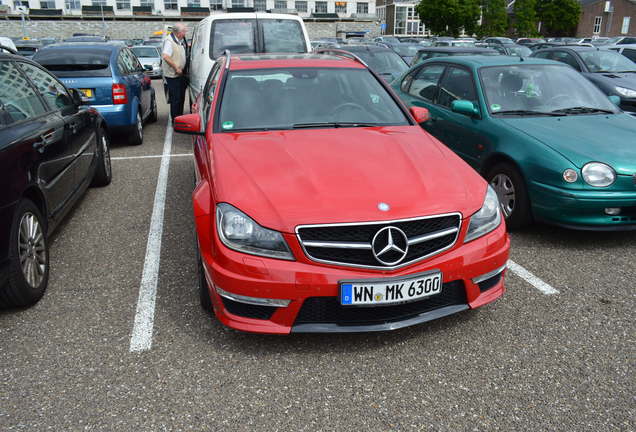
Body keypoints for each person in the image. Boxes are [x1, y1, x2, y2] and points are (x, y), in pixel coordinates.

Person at [161, 23, 188, 122]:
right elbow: (165, 56)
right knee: (176, 99)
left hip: (180, 74)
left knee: (181, 97)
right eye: (184, 31)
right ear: (178, 32)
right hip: (173, 75)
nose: (185, 33)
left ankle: (179, 117)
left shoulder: (179, 40)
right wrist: (176, 67)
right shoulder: (169, 41)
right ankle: (175, 120)